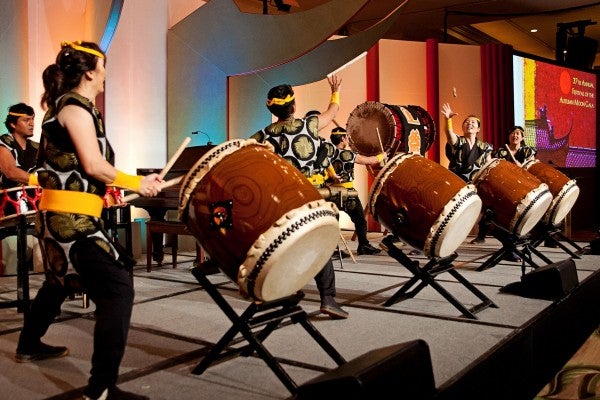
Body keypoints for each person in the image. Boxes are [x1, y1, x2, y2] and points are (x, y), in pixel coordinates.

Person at [15, 41, 163, 400]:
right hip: (71, 221)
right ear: (90, 72)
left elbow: (82, 171)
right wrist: (136, 182)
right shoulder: (75, 108)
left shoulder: (69, 108)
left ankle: (28, 343)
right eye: (105, 67)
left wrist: (105, 191)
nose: (107, 75)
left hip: (64, 215)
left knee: (60, 280)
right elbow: (95, 165)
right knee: (117, 289)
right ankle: (100, 390)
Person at [250, 76, 348, 319]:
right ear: (293, 107)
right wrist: (335, 92)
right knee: (320, 246)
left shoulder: (262, 136)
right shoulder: (310, 125)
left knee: (282, 247)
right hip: (308, 197)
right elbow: (333, 110)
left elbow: (247, 157)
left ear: (271, 108)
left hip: (280, 201)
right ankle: (328, 299)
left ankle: (277, 291)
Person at [327, 126, 383, 255]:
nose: (348, 139)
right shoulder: (348, 154)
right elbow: (369, 160)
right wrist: (382, 156)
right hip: (347, 193)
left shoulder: (327, 153)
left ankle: (332, 249)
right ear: (342, 138)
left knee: (332, 221)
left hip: (330, 193)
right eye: (346, 137)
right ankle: (363, 245)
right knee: (359, 219)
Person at [1, 103, 39, 188]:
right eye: (26, 120)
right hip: (7, 199)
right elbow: (10, 172)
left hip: (33, 198)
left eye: (32, 119)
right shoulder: (3, 142)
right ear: (13, 124)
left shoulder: (36, 147)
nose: (32, 123)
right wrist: (39, 181)